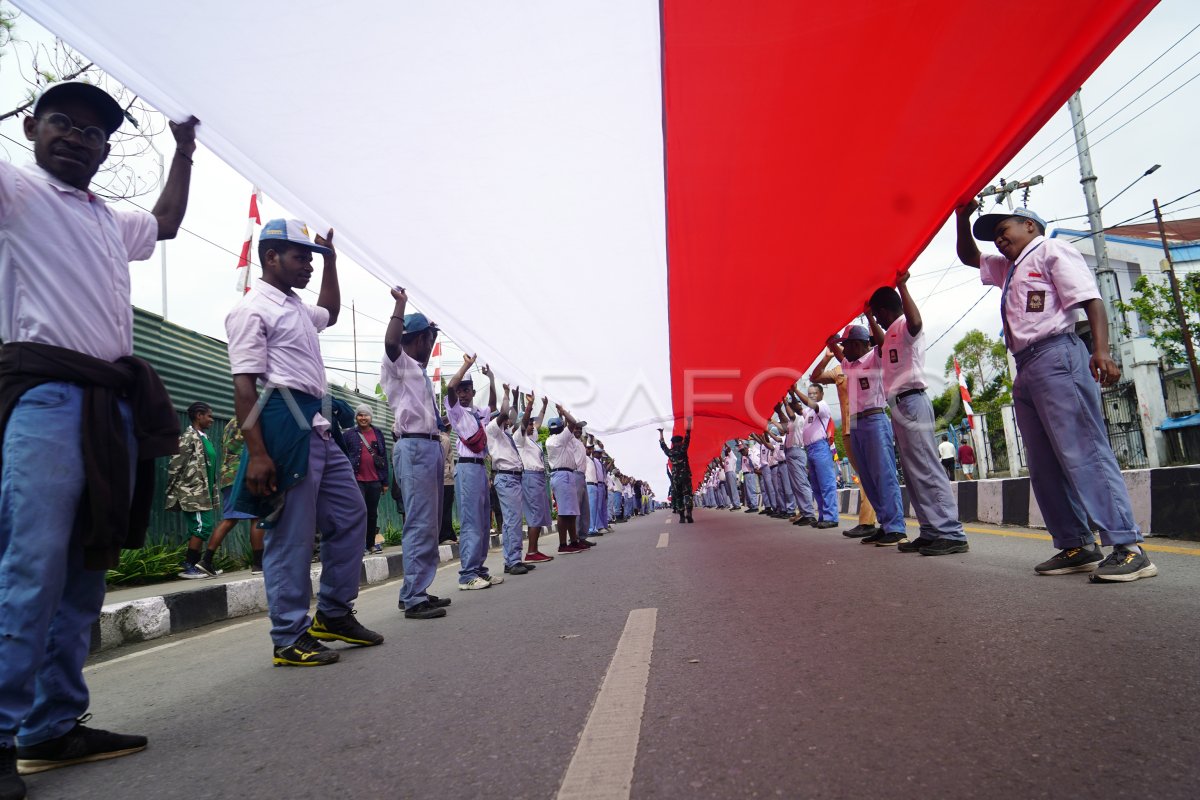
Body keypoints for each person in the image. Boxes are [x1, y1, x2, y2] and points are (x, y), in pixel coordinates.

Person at [0, 82, 198, 792]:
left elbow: (167, 221)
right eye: (63, 123)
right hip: (47, 398)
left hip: (109, 409)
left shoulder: (108, 220)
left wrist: (184, 150)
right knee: (32, 567)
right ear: (29, 128)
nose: (78, 138)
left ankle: (52, 727)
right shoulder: (16, 194)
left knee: (86, 570)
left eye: (93, 131)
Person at [955, 202, 1155, 581]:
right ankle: (1076, 544)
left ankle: (1129, 548)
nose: (998, 239)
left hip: (1056, 354)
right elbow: (969, 255)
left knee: (1084, 451)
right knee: (1044, 463)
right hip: (1026, 366)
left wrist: (1101, 350)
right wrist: (961, 218)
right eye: (994, 235)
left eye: (1004, 229)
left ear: (1030, 225)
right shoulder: (1009, 269)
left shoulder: (1050, 250)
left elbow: (1089, 298)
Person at [225, 219, 383, 667]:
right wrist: (257, 452)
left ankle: (332, 615)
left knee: (352, 514)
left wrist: (331, 259)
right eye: (301, 257)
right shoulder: (252, 309)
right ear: (270, 257)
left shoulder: (295, 307)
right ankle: (289, 635)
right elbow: (244, 387)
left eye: (311, 259)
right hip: (281, 424)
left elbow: (329, 312)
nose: (308, 266)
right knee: (291, 535)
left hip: (315, 424)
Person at [866, 274, 969, 555]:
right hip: (899, 405)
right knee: (913, 473)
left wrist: (902, 285)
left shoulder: (906, 326)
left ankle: (951, 532)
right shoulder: (889, 337)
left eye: (877, 315)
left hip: (912, 401)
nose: (877, 320)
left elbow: (916, 322)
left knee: (926, 467)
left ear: (887, 311)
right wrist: (869, 317)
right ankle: (930, 530)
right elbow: (881, 342)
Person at [381, 288, 451, 618]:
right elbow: (392, 343)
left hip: (428, 444)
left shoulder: (418, 371)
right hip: (413, 447)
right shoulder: (398, 362)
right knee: (420, 522)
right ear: (420, 338)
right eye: (430, 339)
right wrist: (400, 304)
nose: (431, 346)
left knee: (429, 523)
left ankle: (416, 587)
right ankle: (413, 597)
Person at [825, 325, 908, 547]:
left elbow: (883, 344)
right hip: (857, 423)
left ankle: (897, 528)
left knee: (884, 475)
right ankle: (885, 524)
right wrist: (831, 344)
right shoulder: (850, 366)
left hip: (875, 419)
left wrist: (871, 317)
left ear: (859, 344)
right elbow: (842, 357)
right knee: (869, 478)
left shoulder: (875, 358)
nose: (844, 349)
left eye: (847, 344)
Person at [444, 357, 505, 589]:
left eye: (467, 389)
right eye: (460, 389)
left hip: (480, 469)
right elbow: (449, 387)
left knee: (481, 523)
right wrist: (467, 367)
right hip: (467, 467)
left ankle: (480, 569)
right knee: (470, 522)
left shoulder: (478, 413)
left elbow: (492, 403)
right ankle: (467, 575)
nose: (462, 393)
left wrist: (490, 379)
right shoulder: (455, 411)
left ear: (472, 390)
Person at [811, 351, 880, 538]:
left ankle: (870, 522)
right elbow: (815, 376)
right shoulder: (839, 369)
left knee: (875, 473)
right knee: (863, 475)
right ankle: (874, 522)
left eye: (852, 342)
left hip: (869, 421)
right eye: (845, 343)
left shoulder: (871, 359)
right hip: (849, 429)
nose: (848, 346)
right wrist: (827, 356)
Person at [165, 401, 221, 579]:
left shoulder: (204, 437)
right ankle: (190, 565)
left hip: (204, 492)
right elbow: (175, 464)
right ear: (199, 416)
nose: (211, 419)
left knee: (202, 526)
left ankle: (199, 564)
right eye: (209, 416)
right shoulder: (188, 437)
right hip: (192, 492)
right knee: (202, 527)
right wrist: (177, 490)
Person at [485, 382, 532, 576]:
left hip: (512, 478)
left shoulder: (505, 435)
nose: (505, 419)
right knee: (512, 520)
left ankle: (514, 559)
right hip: (505, 478)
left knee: (513, 520)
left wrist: (518, 400)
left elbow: (514, 418)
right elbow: (505, 413)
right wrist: (506, 394)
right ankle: (512, 561)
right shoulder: (492, 430)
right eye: (501, 418)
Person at [209, 420, 263, 574]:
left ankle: (206, 560)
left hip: (227, 474)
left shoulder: (229, 424)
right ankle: (259, 564)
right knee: (257, 517)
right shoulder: (252, 422)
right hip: (244, 473)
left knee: (230, 519)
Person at [788, 385, 840, 529]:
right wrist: (791, 395)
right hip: (810, 449)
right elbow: (799, 409)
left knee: (826, 484)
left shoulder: (822, 406)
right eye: (809, 393)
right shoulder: (809, 412)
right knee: (816, 486)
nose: (812, 395)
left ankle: (831, 517)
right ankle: (823, 516)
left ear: (821, 394)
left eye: (814, 393)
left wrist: (796, 391)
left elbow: (807, 403)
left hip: (820, 447)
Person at [343, 404, 388, 555]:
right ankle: (358, 545)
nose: (363, 418)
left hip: (375, 480)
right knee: (359, 512)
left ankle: (370, 544)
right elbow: (342, 455)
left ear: (371, 417)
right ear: (356, 417)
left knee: (372, 513)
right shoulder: (349, 435)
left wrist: (385, 482)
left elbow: (383, 457)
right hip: (356, 479)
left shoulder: (378, 433)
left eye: (366, 415)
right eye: (360, 415)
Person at [515, 393, 554, 562]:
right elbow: (524, 425)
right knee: (535, 514)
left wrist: (544, 406)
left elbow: (537, 423)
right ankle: (531, 552)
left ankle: (534, 550)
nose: (532, 425)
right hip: (529, 477)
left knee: (539, 514)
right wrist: (529, 406)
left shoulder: (531, 439)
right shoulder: (519, 438)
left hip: (538, 478)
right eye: (528, 423)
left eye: (532, 423)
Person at [546, 407, 588, 552]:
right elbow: (572, 422)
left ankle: (574, 541)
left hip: (567, 474)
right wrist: (563, 411)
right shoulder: (558, 439)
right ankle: (563, 545)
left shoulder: (559, 439)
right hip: (561, 475)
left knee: (571, 512)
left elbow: (570, 425)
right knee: (564, 512)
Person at [659, 418, 694, 523]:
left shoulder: (670, 453)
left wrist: (661, 433)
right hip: (685, 476)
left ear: (673, 444)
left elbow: (663, 445)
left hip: (675, 478)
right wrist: (688, 423)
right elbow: (688, 437)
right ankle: (689, 513)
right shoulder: (683, 449)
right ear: (680, 442)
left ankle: (682, 517)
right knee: (687, 494)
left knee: (678, 496)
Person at [438, 418, 458, 543]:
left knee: (446, 507)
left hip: (446, 477)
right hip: (445, 478)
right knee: (445, 507)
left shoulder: (443, 438)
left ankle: (450, 534)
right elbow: (442, 457)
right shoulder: (444, 439)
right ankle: (444, 535)